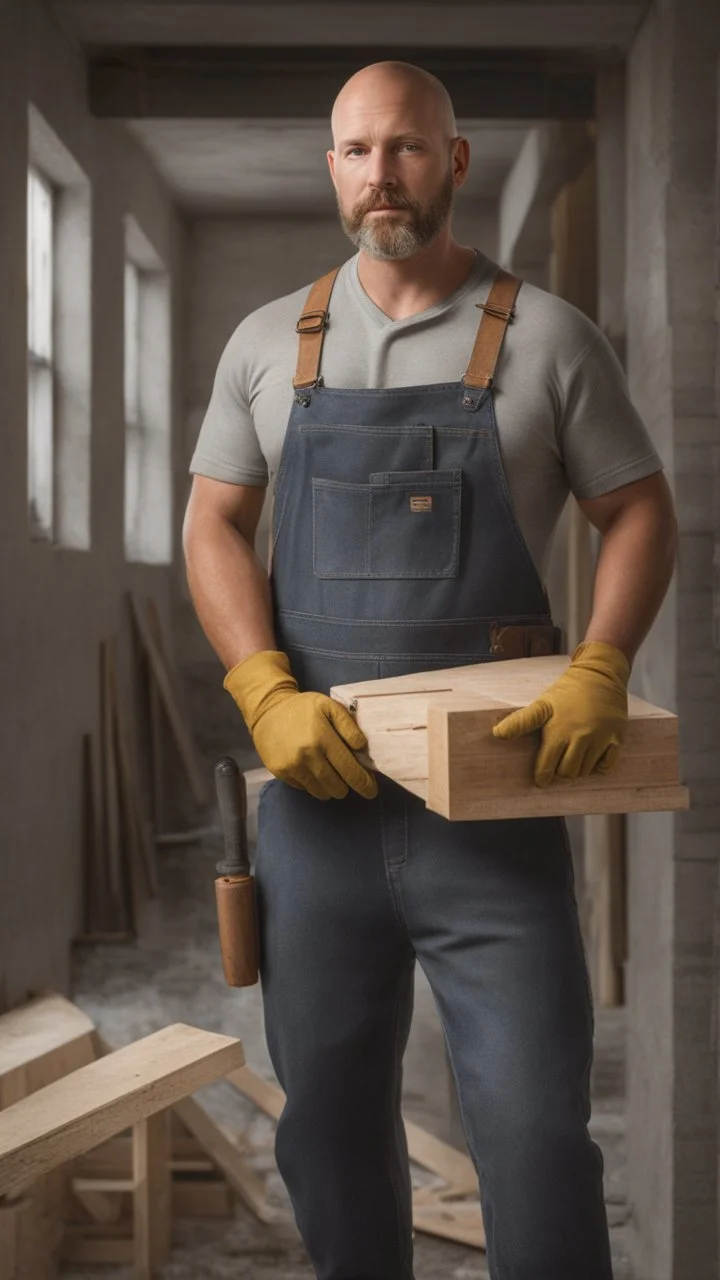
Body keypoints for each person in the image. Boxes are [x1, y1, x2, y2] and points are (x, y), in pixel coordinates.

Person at [183, 60, 677, 1280]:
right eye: (354, 150)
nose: (378, 174)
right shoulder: (267, 345)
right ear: (332, 167)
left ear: (453, 161)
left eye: (405, 147)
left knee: (534, 1133)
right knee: (332, 1129)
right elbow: (210, 524)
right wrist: (262, 687)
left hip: (496, 811)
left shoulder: (550, 337)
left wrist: (603, 663)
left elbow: (642, 509)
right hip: (319, 810)